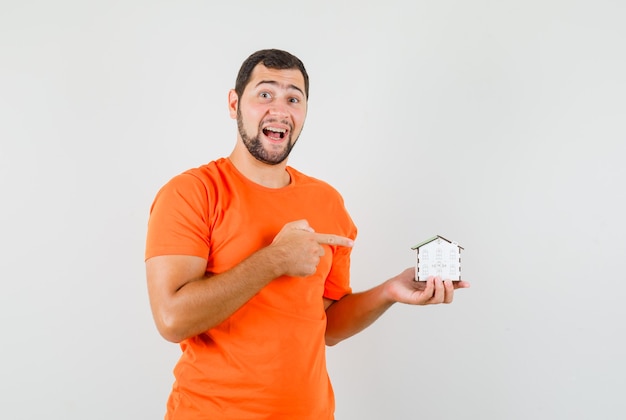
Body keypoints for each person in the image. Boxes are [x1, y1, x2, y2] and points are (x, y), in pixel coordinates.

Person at [145, 48, 470, 419]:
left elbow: (327, 324)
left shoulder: (326, 202)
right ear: (234, 104)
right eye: (265, 94)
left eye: (293, 98)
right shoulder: (192, 192)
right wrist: (274, 259)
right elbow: (172, 319)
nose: (280, 109)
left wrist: (388, 292)